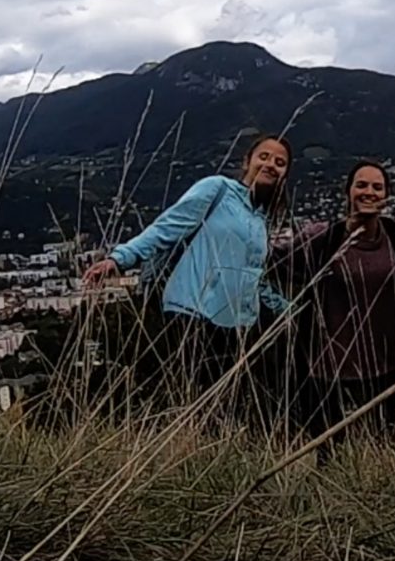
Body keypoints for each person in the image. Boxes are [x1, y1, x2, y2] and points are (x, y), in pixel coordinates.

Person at [82, 135, 293, 412]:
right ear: (247, 162)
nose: (270, 165)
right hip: (193, 313)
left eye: (280, 162)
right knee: (195, 404)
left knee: (229, 409)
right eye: (263, 157)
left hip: (238, 326)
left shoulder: (262, 221)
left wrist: (288, 309)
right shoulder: (217, 189)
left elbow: (253, 278)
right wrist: (120, 258)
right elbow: (168, 226)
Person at [280, 160, 395, 463]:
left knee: (381, 446)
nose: (369, 192)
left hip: (386, 366)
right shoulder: (323, 237)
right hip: (329, 368)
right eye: (361, 185)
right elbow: (275, 263)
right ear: (348, 192)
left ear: (386, 196)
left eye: (376, 187)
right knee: (329, 453)